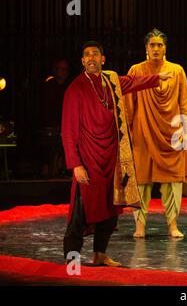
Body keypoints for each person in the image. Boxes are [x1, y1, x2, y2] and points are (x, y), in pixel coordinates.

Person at [61, 41, 172, 266]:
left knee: (110, 209)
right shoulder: (76, 88)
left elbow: (132, 82)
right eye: (86, 55)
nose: (91, 58)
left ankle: (100, 254)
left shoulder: (110, 81)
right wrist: (76, 165)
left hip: (112, 159)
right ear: (82, 61)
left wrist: (158, 78)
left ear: (103, 59)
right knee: (80, 211)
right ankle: (71, 258)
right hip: (88, 160)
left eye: (95, 54)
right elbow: (68, 130)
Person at [125, 29, 187, 239]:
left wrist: (186, 131)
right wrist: (126, 132)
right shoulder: (136, 70)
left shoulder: (177, 71)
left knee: (173, 182)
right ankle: (140, 226)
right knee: (142, 182)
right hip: (143, 133)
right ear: (146, 48)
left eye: (160, 45)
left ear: (165, 48)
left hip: (172, 135)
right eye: (152, 45)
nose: (156, 48)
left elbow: (185, 103)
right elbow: (129, 105)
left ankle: (172, 225)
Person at [38, 59, 71, 178]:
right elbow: (45, 107)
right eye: (61, 69)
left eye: (65, 70)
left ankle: (62, 167)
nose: (63, 72)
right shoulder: (49, 86)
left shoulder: (70, 87)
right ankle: (48, 169)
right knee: (48, 146)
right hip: (50, 123)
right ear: (55, 70)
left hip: (66, 124)